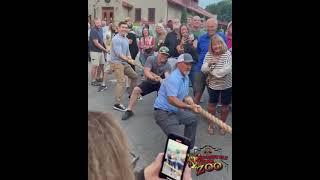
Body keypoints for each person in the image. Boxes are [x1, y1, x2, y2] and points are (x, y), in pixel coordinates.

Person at [153, 53, 200, 149]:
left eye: (190, 64)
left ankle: (188, 147)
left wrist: (191, 102)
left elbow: (185, 95)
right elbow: (172, 100)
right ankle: (174, 162)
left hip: (174, 111)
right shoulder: (174, 78)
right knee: (178, 141)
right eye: (186, 64)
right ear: (178, 64)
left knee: (193, 119)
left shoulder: (185, 77)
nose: (189, 67)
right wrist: (189, 107)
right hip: (163, 113)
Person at [122, 46, 171, 120]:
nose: (164, 56)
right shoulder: (151, 59)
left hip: (161, 83)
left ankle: (161, 111)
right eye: (162, 54)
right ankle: (129, 110)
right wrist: (152, 77)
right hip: (150, 81)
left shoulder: (167, 65)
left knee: (163, 96)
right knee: (136, 90)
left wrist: (165, 81)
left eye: (166, 55)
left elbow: (167, 76)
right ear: (158, 53)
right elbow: (146, 71)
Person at [190, 18, 227, 105]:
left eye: (212, 26)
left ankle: (212, 113)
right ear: (206, 27)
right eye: (208, 26)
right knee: (197, 91)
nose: (210, 28)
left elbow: (225, 51)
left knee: (213, 94)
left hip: (215, 69)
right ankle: (193, 113)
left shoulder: (222, 37)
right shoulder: (201, 38)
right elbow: (198, 51)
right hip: (201, 68)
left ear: (216, 26)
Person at [201, 35, 232, 135]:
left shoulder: (227, 54)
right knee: (211, 104)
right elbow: (203, 69)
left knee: (225, 105)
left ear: (222, 43)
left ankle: (222, 125)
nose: (217, 46)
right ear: (211, 46)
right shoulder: (209, 54)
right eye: (214, 44)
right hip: (213, 85)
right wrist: (210, 63)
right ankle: (211, 123)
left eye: (219, 43)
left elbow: (225, 71)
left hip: (226, 84)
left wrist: (211, 71)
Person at [110, 21, 138, 112]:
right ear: (118, 28)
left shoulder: (125, 38)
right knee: (121, 81)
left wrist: (130, 58)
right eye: (122, 27)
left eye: (126, 27)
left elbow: (127, 52)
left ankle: (132, 94)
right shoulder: (116, 39)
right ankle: (117, 104)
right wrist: (128, 60)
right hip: (117, 63)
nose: (124, 29)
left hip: (124, 62)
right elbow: (119, 54)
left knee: (134, 76)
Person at [89, 18, 109, 86]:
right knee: (95, 66)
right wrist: (104, 49)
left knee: (101, 65)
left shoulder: (101, 29)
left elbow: (102, 40)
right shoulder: (93, 30)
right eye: (97, 23)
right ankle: (93, 80)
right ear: (94, 23)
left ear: (101, 22)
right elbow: (96, 43)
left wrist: (106, 48)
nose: (98, 24)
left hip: (100, 51)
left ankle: (97, 77)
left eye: (99, 22)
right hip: (94, 51)